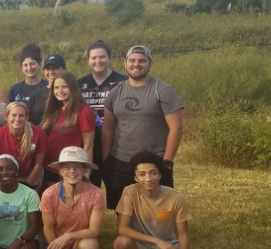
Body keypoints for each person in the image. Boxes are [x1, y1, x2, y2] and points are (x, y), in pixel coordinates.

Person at [102, 46, 184, 210]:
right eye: (132, 60)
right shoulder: (115, 92)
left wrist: (167, 162)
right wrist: (106, 159)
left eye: (142, 61)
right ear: (125, 63)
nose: (136, 64)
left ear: (150, 63)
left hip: (154, 162)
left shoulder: (163, 90)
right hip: (120, 161)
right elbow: (108, 128)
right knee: (122, 209)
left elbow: (176, 128)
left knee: (158, 210)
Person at [113, 151, 197, 249]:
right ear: (135, 177)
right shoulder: (130, 192)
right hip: (141, 247)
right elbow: (122, 229)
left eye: (153, 173)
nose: (148, 179)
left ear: (160, 174)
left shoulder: (176, 197)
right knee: (120, 243)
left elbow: (183, 235)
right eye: (142, 174)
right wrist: (156, 241)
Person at [41, 147, 104, 249]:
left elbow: (94, 231)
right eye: (67, 167)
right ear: (60, 170)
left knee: (89, 246)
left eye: (77, 166)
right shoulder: (49, 194)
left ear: (84, 169)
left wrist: (69, 236)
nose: (72, 171)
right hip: (56, 244)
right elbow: (47, 228)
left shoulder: (96, 194)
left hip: (80, 240)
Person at [78, 41, 127, 189]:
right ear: (88, 60)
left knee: (117, 187)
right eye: (94, 58)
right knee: (90, 187)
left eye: (102, 57)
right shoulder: (79, 84)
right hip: (88, 142)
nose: (98, 61)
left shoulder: (123, 82)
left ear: (109, 58)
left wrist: (115, 119)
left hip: (116, 142)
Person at [41, 71, 96, 186]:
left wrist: (85, 173)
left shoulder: (84, 112)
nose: (60, 91)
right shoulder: (55, 110)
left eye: (64, 87)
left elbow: (88, 145)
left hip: (71, 168)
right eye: (56, 87)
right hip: (50, 166)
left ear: (73, 88)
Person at [0, 102, 47, 189]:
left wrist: (28, 185)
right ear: (6, 117)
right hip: (8, 175)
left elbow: (38, 164)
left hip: (32, 174)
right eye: (14, 115)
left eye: (21, 115)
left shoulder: (39, 134)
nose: (17, 119)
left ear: (27, 117)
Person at [27, 54, 66, 126]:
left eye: (55, 68)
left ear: (64, 69)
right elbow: (28, 121)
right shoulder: (36, 96)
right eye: (48, 69)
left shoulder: (69, 94)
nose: (51, 72)